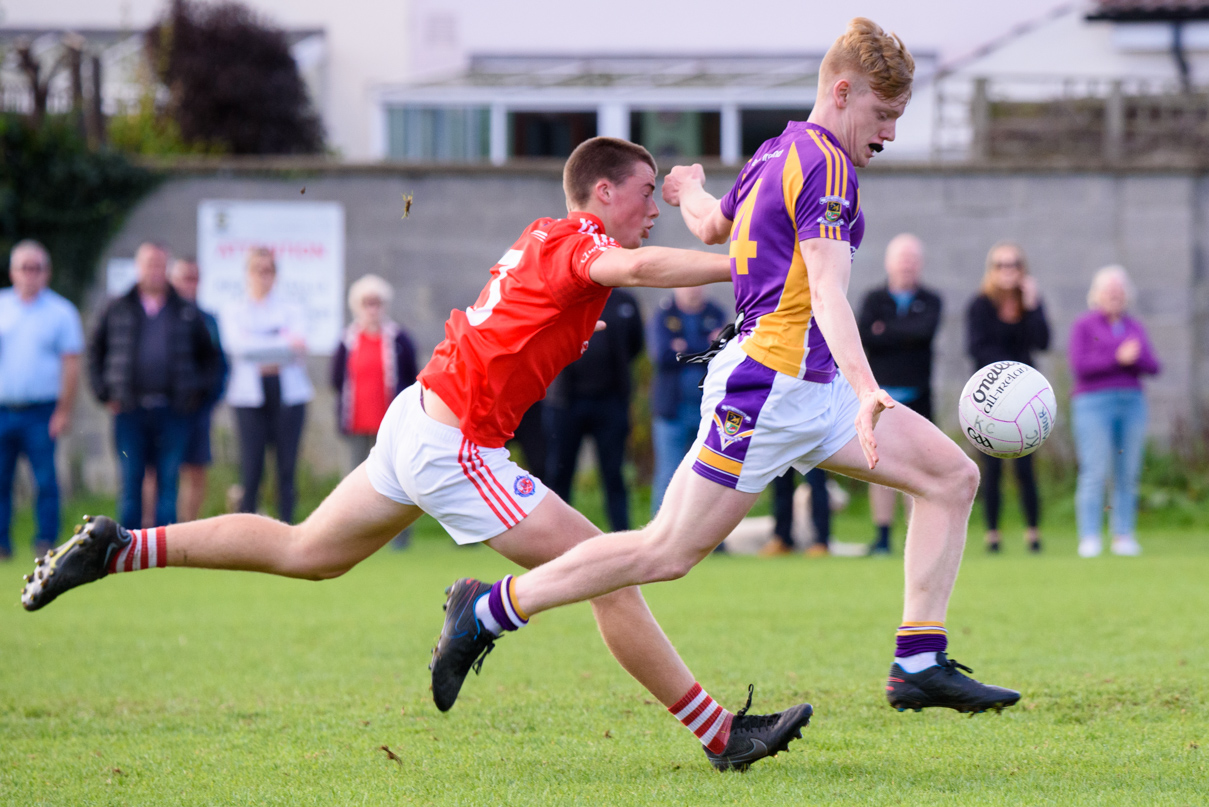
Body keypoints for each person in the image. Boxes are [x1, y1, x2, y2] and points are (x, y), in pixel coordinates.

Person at [22, 136, 810, 773]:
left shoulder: (545, 239)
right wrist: (747, 265)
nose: (652, 211)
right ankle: (720, 735)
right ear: (601, 191)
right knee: (614, 570)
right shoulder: (582, 237)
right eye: (645, 193)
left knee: (308, 551)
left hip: (417, 421)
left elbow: (535, 310)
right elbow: (634, 267)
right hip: (452, 443)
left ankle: (124, 547)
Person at [445, 18, 1018, 729]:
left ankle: (918, 660)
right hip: (769, 387)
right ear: (842, 91)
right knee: (666, 550)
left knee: (950, 477)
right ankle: (490, 608)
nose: (890, 133)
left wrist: (686, 188)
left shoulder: (775, 152)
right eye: (883, 114)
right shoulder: (826, 167)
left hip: (810, 386)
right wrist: (870, 389)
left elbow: (714, 226)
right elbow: (830, 291)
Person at [88, 242, 220, 528]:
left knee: (168, 481)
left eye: (160, 265)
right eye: (149, 264)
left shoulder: (185, 310)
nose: (154, 271)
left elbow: (211, 359)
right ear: (138, 267)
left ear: (167, 269)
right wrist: (104, 392)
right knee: (131, 478)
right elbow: (95, 351)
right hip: (129, 409)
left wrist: (194, 394)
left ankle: (164, 546)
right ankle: (129, 543)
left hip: (173, 411)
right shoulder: (117, 306)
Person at [857, 234, 942, 555]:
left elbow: (924, 333)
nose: (906, 265)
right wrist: (902, 334)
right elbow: (867, 336)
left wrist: (888, 332)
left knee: (916, 468)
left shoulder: (931, 299)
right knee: (879, 466)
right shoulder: (873, 299)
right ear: (889, 263)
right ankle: (882, 535)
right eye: (901, 259)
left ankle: (914, 536)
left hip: (919, 395)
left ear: (919, 265)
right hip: (881, 397)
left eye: (912, 260)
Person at [1068, 266, 1160, 558]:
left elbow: (1153, 366)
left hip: (1131, 401)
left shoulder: (1134, 326)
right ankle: (1090, 536)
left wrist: (1135, 357)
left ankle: (1123, 534)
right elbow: (1081, 366)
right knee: (1094, 470)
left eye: (1119, 291)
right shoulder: (1085, 325)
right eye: (1109, 290)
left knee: (1127, 471)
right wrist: (1117, 357)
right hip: (1093, 403)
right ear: (1097, 295)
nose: (1114, 295)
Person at [965, 241, 1050, 554]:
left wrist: (1032, 305)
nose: (1008, 270)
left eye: (1014, 264)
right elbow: (976, 347)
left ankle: (1033, 531)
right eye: (1001, 264)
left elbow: (1041, 341)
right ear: (992, 269)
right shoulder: (980, 304)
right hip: (991, 400)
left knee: (1026, 468)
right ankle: (992, 533)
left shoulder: (1028, 303)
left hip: (1025, 400)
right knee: (992, 467)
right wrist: (1009, 373)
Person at [0, 240, 83, 559]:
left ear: (46, 273)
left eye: (36, 268)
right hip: (4, 408)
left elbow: (71, 364)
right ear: (12, 271)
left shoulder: (61, 312)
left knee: (46, 481)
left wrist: (63, 410)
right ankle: (3, 545)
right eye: (24, 267)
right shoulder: (3, 306)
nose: (30, 274)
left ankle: (46, 541)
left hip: (42, 410)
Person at [223, 248, 313, 524]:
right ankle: (244, 531)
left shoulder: (292, 309)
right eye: (257, 270)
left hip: (288, 395)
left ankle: (288, 528)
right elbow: (239, 349)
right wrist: (280, 343)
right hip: (248, 397)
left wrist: (260, 345)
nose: (263, 276)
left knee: (286, 467)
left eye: (269, 270)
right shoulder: (234, 309)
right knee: (251, 469)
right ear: (247, 274)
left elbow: (298, 348)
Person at [545, 288, 644, 531]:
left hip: (610, 401)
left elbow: (636, 345)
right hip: (566, 401)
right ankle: (554, 533)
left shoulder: (624, 302)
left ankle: (621, 536)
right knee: (560, 471)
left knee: (614, 472)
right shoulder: (564, 296)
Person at [331, 273, 418, 547]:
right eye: (367, 303)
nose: (372, 309)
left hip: (390, 422)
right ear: (357, 305)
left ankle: (399, 539)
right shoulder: (347, 340)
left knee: (398, 481)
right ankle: (353, 536)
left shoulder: (399, 338)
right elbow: (336, 379)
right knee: (356, 481)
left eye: (377, 302)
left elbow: (412, 376)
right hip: (357, 419)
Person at [142, 258, 228, 524]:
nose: (188, 283)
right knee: (155, 471)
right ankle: (149, 531)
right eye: (183, 277)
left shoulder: (208, 319)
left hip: (196, 410)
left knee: (195, 470)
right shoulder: (159, 317)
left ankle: (188, 531)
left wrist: (207, 400)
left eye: (194, 277)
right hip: (164, 408)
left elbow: (219, 365)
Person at [649, 286, 726, 515]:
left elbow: (724, 352)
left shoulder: (716, 313)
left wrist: (683, 347)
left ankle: (713, 539)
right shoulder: (663, 315)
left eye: (698, 285)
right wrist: (705, 345)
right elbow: (662, 355)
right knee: (669, 474)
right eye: (688, 285)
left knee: (710, 474)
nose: (694, 290)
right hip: (672, 411)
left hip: (708, 412)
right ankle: (659, 533)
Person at [760, 467, 830, 557]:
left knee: (816, 483)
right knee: (781, 486)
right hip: (782, 452)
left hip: (812, 452)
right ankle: (782, 539)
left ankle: (821, 541)